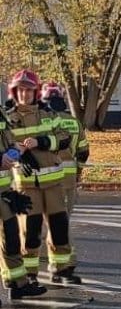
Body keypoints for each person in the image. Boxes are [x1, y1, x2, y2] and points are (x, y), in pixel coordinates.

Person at [4, 69, 76, 285]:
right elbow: (5, 146)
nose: (25, 94)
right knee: (31, 231)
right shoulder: (9, 118)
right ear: (14, 92)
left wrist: (43, 142)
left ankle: (61, 268)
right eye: (21, 90)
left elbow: (65, 138)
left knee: (59, 227)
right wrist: (18, 156)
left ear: (36, 92)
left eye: (29, 90)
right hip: (26, 184)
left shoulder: (48, 114)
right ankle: (30, 274)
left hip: (53, 182)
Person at [41, 83, 89, 282]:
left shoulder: (44, 121)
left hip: (47, 177)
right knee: (62, 221)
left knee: (51, 223)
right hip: (69, 178)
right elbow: (84, 152)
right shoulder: (74, 122)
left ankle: (63, 263)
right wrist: (77, 172)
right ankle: (61, 263)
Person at [0, 109, 46, 305]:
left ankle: (17, 283)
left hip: (2, 190)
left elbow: (8, 140)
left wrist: (16, 151)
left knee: (11, 237)